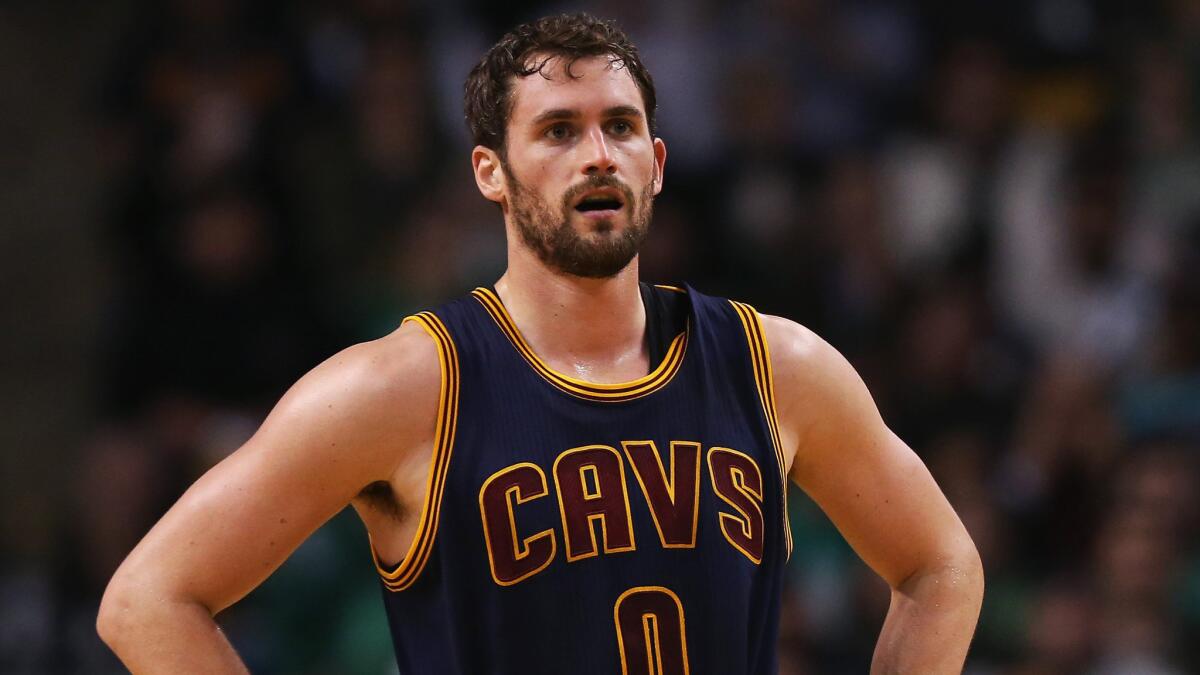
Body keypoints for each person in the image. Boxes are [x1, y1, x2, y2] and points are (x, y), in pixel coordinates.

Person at [97, 13, 983, 674]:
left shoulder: (778, 367)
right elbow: (149, 599)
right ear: (492, 170)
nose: (597, 155)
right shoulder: (406, 384)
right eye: (559, 130)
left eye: (620, 127)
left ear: (659, 162)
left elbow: (942, 564)